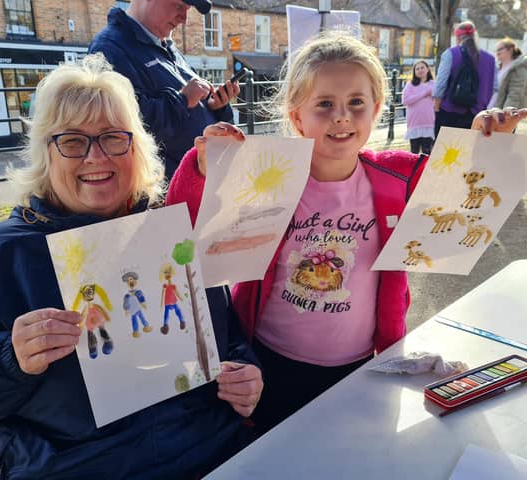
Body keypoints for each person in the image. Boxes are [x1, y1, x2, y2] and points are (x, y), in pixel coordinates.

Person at [0, 55, 263, 480]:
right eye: (72, 141)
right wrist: (5, 360)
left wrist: (245, 372)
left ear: (136, 147)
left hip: (204, 447)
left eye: (111, 138)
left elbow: (222, 332)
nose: (95, 157)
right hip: (68, 465)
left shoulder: (170, 232)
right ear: (46, 154)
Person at [165, 33, 527, 435]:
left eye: (356, 102)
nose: (342, 116)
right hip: (268, 361)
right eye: (325, 104)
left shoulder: (400, 175)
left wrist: (488, 146)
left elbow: (463, 207)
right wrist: (202, 168)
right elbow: (183, 236)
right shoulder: (266, 178)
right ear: (297, 116)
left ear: (376, 110)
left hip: (360, 364)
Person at [89, 0, 240, 180]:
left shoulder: (166, 46)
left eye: (187, 9)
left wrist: (214, 106)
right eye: (178, 6)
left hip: (198, 183)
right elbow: (119, 126)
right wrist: (182, 101)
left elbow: (188, 111)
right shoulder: (109, 48)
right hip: (165, 195)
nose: (184, 18)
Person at [432, 21, 497, 137]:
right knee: (470, 151)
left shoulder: (450, 54)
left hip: (450, 111)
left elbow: (441, 84)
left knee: (447, 151)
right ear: (475, 35)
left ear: (457, 36)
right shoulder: (490, 60)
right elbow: (495, 88)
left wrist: (436, 106)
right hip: (478, 114)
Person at [402, 60, 435, 154]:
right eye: (417, 69)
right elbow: (405, 101)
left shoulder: (434, 84)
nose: (420, 70)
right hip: (414, 123)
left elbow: (439, 100)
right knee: (414, 152)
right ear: (414, 72)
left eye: (422, 67)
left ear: (427, 69)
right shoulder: (410, 85)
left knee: (427, 152)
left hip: (429, 123)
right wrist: (424, 94)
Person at [493, 37, 527, 110]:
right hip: (493, 109)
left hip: (503, 112)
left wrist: (506, 113)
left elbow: (515, 93)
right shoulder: (498, 67)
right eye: (496, 50)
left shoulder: (518, 67)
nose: (497, 52)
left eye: (500, 49)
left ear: (510, 49)